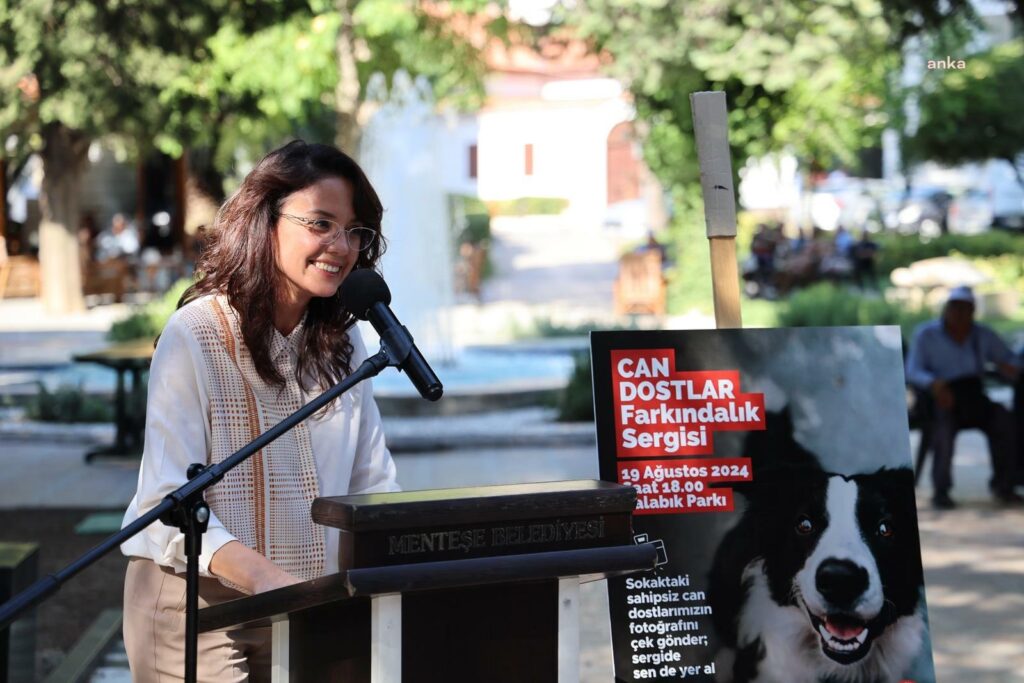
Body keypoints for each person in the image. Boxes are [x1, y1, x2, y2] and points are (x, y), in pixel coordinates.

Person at [119, 140, 399, 681]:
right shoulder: (196, 334)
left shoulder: (346, 344)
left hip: (304, 601)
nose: (340, 246)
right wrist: (271, 581)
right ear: (265, 220)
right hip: (195, 604)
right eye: (320, 223)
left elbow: (372, 487)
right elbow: (164, 500)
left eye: (354, 230)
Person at [906, 286, 1021, 510]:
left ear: (972, 311)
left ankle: (1004, 486)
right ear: (946, 309)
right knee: (943, 429)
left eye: (964, 309)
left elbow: (1010, 360)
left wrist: (1009, 367)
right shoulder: (926, 335)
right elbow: (912, 370)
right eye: (954, 307)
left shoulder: (983, 335)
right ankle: (941, 491)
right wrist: (935, 384)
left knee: (1005, 421)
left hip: (973, 396)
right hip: (941, 396)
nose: (959, 313)